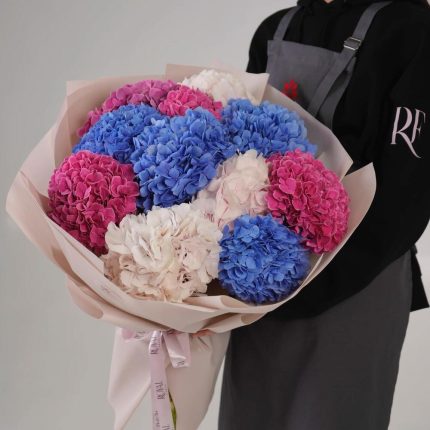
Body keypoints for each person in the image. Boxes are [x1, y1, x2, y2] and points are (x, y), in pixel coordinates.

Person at [216, 0, 430, 429]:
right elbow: (237, 153)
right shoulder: (274, 30)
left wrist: (306, 284)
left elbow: (407, 191)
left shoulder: (412, 30)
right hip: (262, 279)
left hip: (360, 278)